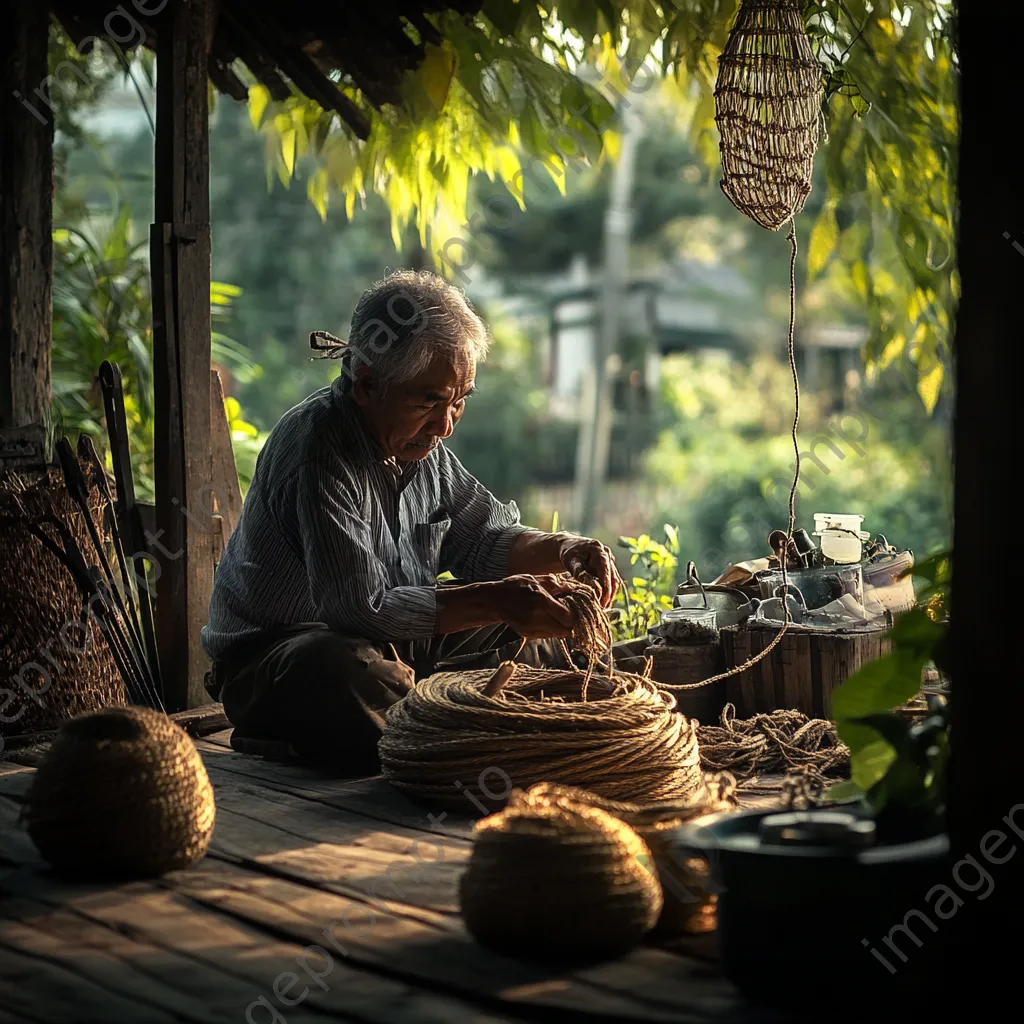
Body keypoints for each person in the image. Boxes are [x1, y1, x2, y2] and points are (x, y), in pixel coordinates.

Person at [202, 269, 619, 773]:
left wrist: (564, 549)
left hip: (392, 641)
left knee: (546, 624)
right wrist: (499, 599)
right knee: (351, 675)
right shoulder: (317, 449)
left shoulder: (420, 446)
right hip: (281, 657)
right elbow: (357, 609)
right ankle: (433, 729)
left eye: (459, 401)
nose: (445, 424)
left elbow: (482, 537)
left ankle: (437, 720)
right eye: (429, 400)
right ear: (367, 384)